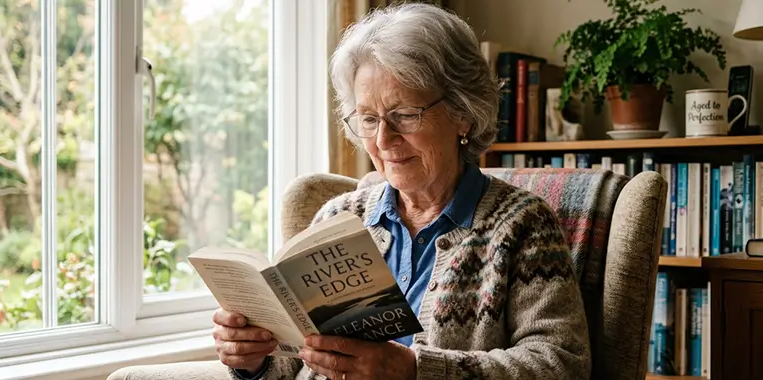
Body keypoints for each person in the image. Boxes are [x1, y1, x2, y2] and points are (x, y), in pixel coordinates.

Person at [213, 3, 591, 380]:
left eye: (406, 115)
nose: (383, 140)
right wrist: (253, 359)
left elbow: (561, 364)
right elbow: (293, 365)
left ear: (463, 112)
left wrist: (415, 371)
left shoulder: (522, 225)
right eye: (369, 118)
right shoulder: (337, 218)